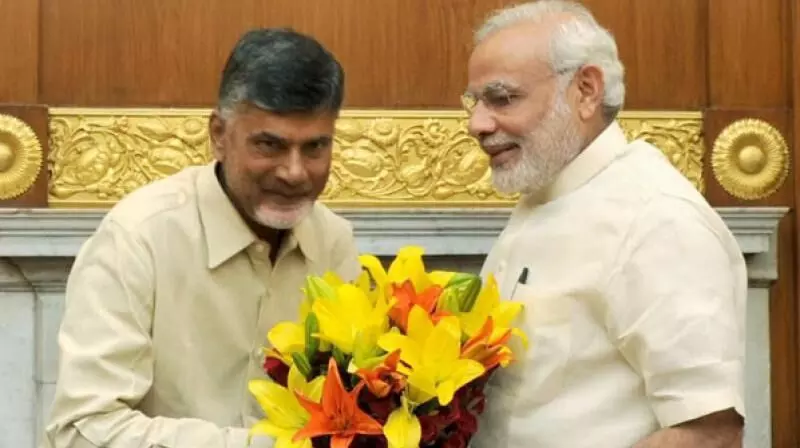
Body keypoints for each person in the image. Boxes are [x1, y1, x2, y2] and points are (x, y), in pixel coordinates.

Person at [41, 28, 361, 448]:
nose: (294, 172)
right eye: (269, 145)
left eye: (315, 147)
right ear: (218, 136)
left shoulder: (334, 241)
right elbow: (81, 429)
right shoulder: (139, 237)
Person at [464, 1, 746, 447]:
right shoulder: (548, 190)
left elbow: (709, 432)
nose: (476, 124)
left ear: (586, 91)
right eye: (474, 102)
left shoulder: (656, 219)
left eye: (502, 98)